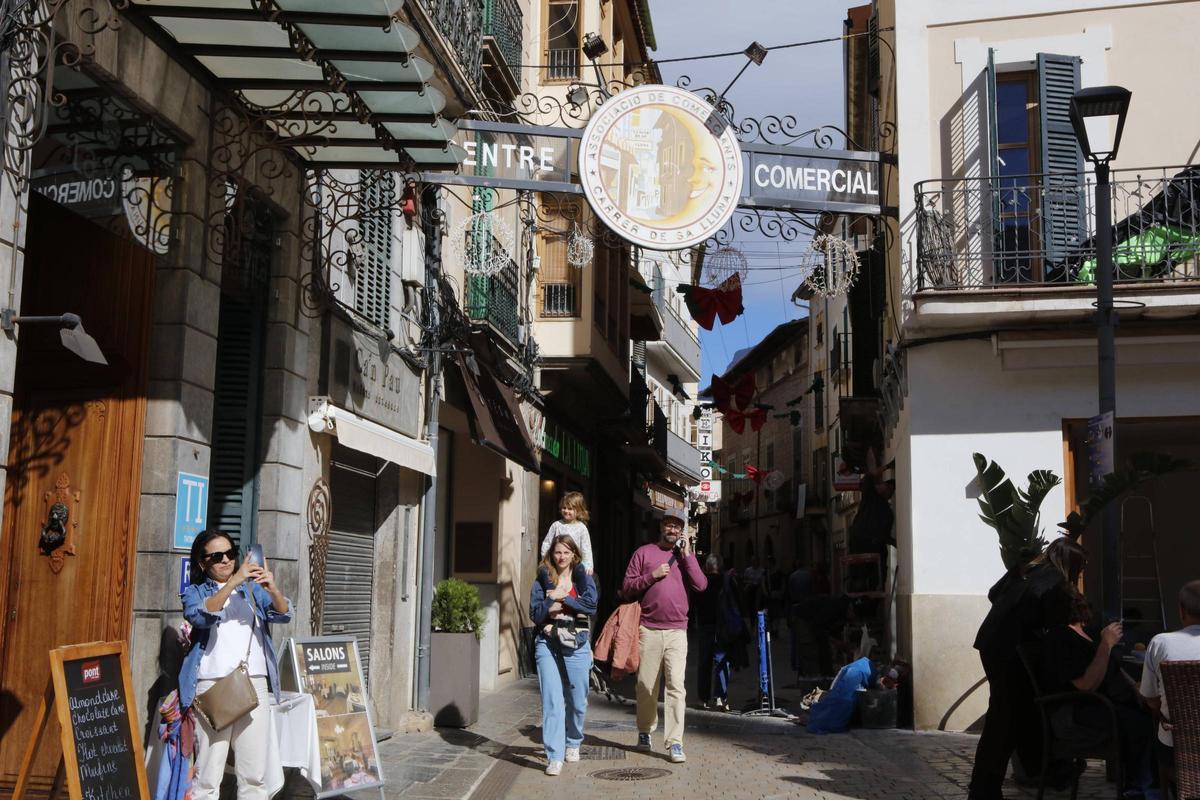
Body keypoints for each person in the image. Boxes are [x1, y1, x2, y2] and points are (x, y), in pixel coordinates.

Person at [968, 537, 1086, 800]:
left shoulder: (1026, 569)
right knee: (1004, 720)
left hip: (992, 644)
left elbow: (993, 593)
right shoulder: (1056, 584)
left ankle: (1030, 773)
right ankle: (986, 789)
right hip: (1011, 651)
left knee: (1010, 715)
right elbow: (1057, 629)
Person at [180, 530, 293, 799]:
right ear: (202, 563)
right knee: (208, 774)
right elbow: (200, 616)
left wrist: (272, 588)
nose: (225, 560)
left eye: (230, 553)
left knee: (254, 775)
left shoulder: (251, 590)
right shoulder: (195, 592)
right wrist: (233, 582)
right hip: (213, 684)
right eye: (217, 556)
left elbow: (283, 614)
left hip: (253, 682)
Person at [1041, 597, 1155, 796]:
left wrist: (1135, 687)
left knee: (1155, 715)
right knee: (1140, 724)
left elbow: (1112, 667)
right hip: (1078, 712)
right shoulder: (1060, 637)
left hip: (1104, 705)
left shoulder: (1086, 634)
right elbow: (1086, 685)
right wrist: (1106, 645)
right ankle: (1138, 790)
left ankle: (1153, 785)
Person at [622, 506, 707, 763]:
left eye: (677, 526)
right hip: (648, 628)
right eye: (669, 524)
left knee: (676, 687)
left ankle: (675, 741)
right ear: (661, 527)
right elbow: (627, 587)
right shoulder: (644, 553)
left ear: (682, 531)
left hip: (677, 631)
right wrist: (652, 576)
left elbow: (701, 585)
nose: (672, 529)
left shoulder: (685, 558)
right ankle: (645, 730)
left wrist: (688, 555)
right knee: (646, 686)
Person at [530, 534, 598, 776]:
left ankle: (573, 741)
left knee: (578, 701)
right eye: (557, 552)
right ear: (551, 554)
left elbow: (591, 606)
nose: (561, 557)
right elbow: (535, 614)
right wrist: (550, 601)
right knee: (552, 700)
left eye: (566, 552)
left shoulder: (583, 577)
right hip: (547, 642)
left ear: (574, 554)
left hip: (576, 643)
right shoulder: (543, 578)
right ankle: (554, 756)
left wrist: (564, 598)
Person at [1139, 579, 1200, 793]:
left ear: (1181, 611)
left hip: (1178, 748)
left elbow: (1151, 700)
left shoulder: (1161, 643)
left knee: (1152, 734)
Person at [693, 555, 730, 711]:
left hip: (705, 625)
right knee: (722, 661)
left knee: (704, 663)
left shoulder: (701, 581)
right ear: (719, 566)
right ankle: (721, 698)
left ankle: (703, 699)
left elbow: (694, 602)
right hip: (722, 626)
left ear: (707, 567)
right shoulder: (725, 581)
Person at [540, 491, 594, 575]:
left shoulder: (581, 528)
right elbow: (547, 543)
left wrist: (588, 566)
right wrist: (546, 560)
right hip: (557, 564)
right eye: (564, 508)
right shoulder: (556, 525)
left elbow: (586, 549)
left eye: (570, 509)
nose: (566, 511)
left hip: (575, 565)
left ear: (578, 511)